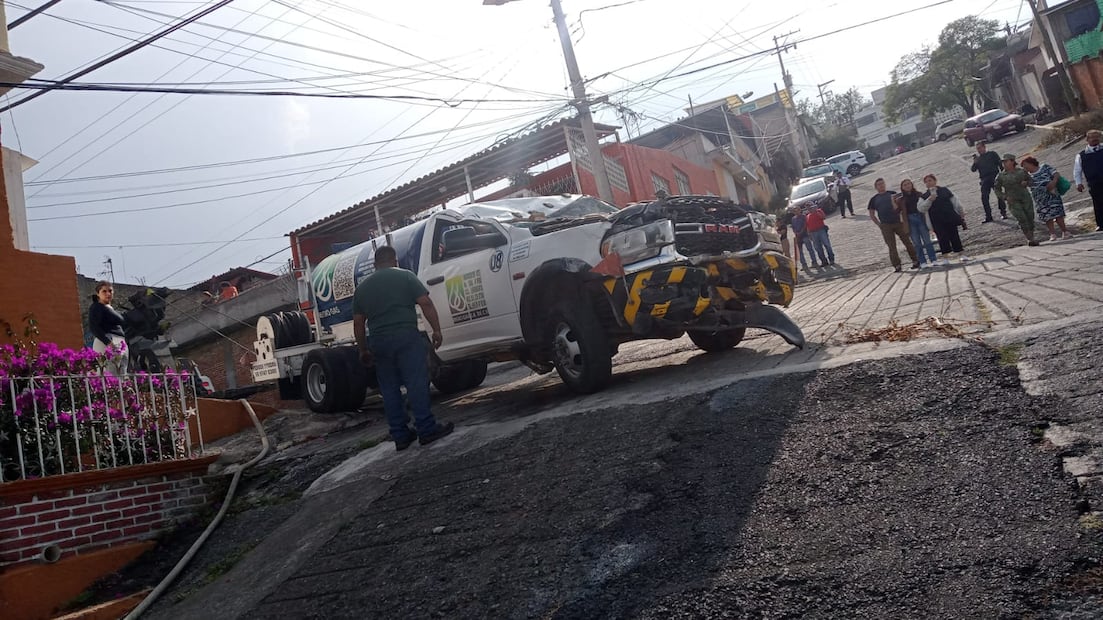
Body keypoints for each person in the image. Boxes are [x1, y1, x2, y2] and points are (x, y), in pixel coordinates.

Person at [352, 246, 453, 451]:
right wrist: (437, 330)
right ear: (395, 260)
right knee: (416, 382)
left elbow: (358, 324)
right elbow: (425, 303)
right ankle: (426, 429)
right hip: (405, 336)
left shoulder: (362, 288)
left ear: (375, 265)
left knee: (389, 389)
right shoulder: (405, 276)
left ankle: (400, 435)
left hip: (379, 342)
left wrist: (363, 350)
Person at [867, 177, 918, 272]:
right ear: (876, 187)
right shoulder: (874, 199)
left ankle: (915, 260)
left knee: (907, 241)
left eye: (882, 183)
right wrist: (879, 224)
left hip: (898, 222)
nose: (881, 185)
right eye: (879, 184)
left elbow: (901, 206)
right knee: (891, 246)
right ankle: (897, 265)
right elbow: (872, 213)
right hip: (885, 225)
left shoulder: (892, 194)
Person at [918, 174, 969, 263]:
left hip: (949, 216)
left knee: (954, 235)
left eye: (930, 180)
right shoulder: (925, 196)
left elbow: (955, 201)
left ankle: (961, 254)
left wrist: (961, 212)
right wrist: (929, 200)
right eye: (926, 182)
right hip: (936, 220)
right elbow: (921, 208)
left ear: (935, 181)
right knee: (942, 238)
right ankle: (945, 257)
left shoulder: (944, 190)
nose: (928, 183)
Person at [1021, 156, 1073, 242]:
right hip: (1040, 199)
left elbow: (1056, 174)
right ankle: (1052, 234)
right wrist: (1024, 183)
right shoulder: (1027, 176)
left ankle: (1065, 231)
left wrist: (1053, 182)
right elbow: (1025, 184)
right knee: (1047, 216)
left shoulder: (1044, 167)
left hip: (1052, 195)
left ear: (1031, 163)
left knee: (1058, 213)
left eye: (1025, 165)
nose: (1024, 167)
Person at [994, 154, 1040, 246]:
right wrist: (1005, 197)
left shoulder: (1021, 172)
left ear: (1012, 161)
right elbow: (997, 189)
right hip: (1013, 200)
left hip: (1025, 197)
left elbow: (1032, 181)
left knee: (1030, 217)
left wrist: (1026, 183)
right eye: (1003, 162)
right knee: (1021, 218)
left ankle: (1032, 236)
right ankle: (1029, 239)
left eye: (1006, 161)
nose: (1004, 164)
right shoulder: (1001, 176)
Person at [88, 281, 129, 376]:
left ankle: (122, 390)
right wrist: (108, 342)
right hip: (108, 341)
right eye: (104, 291)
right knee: (109, 372)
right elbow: (94, 327)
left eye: (110, 291)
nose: (108, 294)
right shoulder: (96, 307)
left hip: (120, 341)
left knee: (122, 372)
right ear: (98, 293)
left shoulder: (110, 308)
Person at [896, 179, 939, 268]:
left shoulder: (919, 194)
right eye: (905, 185)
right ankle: (922, 261)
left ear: (912, 185)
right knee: (917, 243)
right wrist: (893, 202)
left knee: (927, 240)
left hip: (920, 218)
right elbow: (896, 211)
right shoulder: (901, 199)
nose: (907, 186)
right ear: (902, 188)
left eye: (908, 184)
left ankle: (933, 259)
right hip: (910, 220)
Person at [1073, 129, 1103, 232]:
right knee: (1098, 203)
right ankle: (1101, 224)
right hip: (1094, 182)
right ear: (1087, 139)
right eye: (1092, 137)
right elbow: (1077, 170)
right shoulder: (1081, 155)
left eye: (1097, 136)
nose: (1095, 139)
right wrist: (1078, 183)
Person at [970, 141, 1008, 222]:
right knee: (984, 198)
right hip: (984, 179)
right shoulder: (978, 159)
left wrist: (1003, 175)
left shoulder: (992, 154)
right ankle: (988, 216)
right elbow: (973, 169)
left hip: (994, 176)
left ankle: (1003, 212)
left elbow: (1000, 165)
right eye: (977, 149)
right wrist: (975, 162)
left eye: (980, 148)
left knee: (999, 195)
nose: (979, 150)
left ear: (984, 147)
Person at [789, 206, 818, 270]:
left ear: (800, 210)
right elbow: (793, 227)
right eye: (794, 211)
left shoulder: (803, 217)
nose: (796, 212)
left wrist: (801, 231)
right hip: (798, 237)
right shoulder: (793, 219)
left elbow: (805, 225)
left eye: (797, 210)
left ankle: (814, 262)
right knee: (800, 252)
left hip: (805, 235)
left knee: (810, 249)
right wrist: (795, 233)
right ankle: (804, 265)